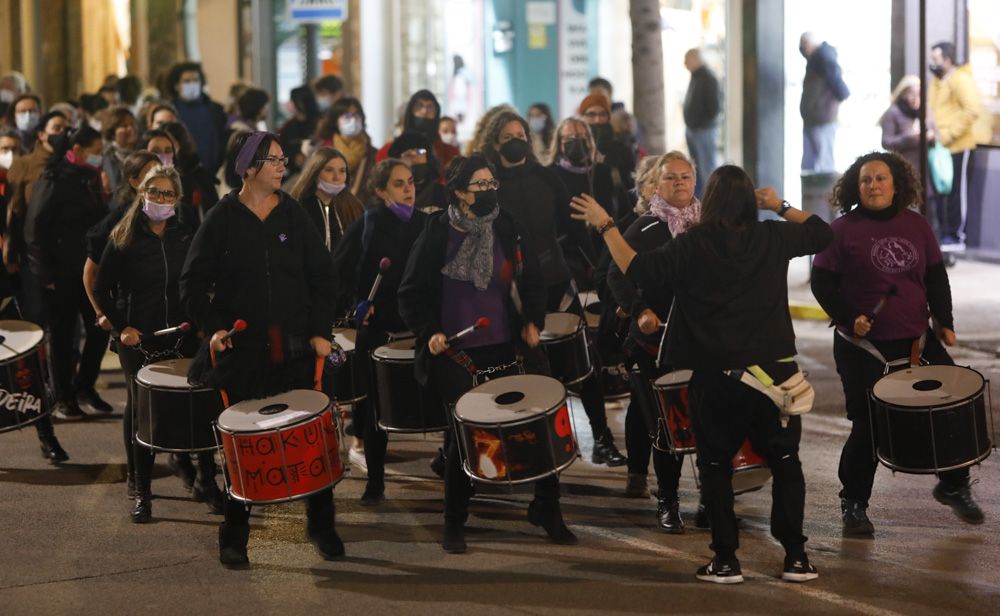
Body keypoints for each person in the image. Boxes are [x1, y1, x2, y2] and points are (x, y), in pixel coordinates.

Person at [572, 164, 832, 584]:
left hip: (717, 376)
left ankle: (726, 559)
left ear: (707, 200)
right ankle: (797, 557)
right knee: (785, 460)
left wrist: (605, 225)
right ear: (750, 200)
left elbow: (636, 269)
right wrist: (778, 205)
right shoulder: (772, 235)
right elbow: (823, 231)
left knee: (715, 464)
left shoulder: (694, 244)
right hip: (773, 374)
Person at [398, 154, 575, 553]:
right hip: (457, 354)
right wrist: (430, 332)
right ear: (459, 192)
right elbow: (410, 293)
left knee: (538, 427)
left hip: (508, 347)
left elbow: (532, 281)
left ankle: (548, 509)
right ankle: (454, 520)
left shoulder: (508, 225)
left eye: (491, 182)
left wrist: (532, 319)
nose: (489, 190)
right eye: (479, 185)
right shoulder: (437, 231)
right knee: (463, 438)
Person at [180, 131, 340, 567]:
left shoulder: (293, 214)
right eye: (273, 160)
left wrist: (321, 330)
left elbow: (323, 279)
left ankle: (322, 525)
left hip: (295, 346)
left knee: (309, 437)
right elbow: (191, 283)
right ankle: (234, 535)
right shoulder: (222, 217)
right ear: (248, 168)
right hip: (244, 350)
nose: (282, 166)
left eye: (283, 158)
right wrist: (214, 329)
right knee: (243, 446)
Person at [810, 151, 984, 534]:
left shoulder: (917, 225)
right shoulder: (841, 230)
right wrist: (846, 317)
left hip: (916, 341)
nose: (873, 185)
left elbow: (937, 276)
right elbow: (821, 282)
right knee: (868, 425)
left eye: (881, 178)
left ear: (896, 184)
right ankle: (854, 503)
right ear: (856, 187)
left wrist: (946, 322)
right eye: (866, 180)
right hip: (863, 347)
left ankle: (954, 486)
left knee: (953, 405)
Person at [481, 110, 625, 467]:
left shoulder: (545, 178)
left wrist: (598, 269)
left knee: (583, 361)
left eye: (521, 134)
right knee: (519, 369)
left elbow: (573, 229)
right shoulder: (487, 181)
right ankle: (523, 444)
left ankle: (602, 439)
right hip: (508, 290)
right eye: (508, 135)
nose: (517, 140)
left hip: (555, 281)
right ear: (495, 142)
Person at [95, 164, 224, 522]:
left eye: (168, 194)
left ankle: (207, 482)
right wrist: (122, 327)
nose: (161, 199)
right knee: (141, 411)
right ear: (142, 194)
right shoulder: (124, 236)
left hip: (184, 334)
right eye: (155, 192)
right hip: (141, 338)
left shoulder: (187, 234)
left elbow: (201, 281)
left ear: (178, 199)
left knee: (198, 405)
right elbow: (100, 288)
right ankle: (141, 489)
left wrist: (204, 323)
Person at [606, 151, 704, 532]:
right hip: (656, 344)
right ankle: (668, 500)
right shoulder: (643, 229)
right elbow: (617, 274)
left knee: (709, 424)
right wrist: (640, 309)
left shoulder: (707, 226)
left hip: (700, 342)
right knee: (667, 426)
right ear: (656, 185)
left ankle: (711, 501)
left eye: (686, 176)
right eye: (671, 178)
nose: (680, 183)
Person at [330, 159, 430, 503]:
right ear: (380, 190)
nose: (408, 189)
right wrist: (356, 303)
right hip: (379, 329)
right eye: (399, 184)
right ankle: (376, 481)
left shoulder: (426, 224)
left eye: (411, 182)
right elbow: (338, 274)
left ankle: (449, 463)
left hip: (417, 328)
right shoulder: (369, 224)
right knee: (374, 409)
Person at [24, 126, 113, 419]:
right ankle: (63, 396)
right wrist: (44, 272)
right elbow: (35, 227)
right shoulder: (53, 178)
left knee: (100, 328)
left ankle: (84, 385)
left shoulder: (89, 178)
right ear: (77, 150)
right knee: (62, 336)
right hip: (60, 272)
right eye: (95, 149)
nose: (99, 155)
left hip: (89, 269)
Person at [928, 41, 983, 250]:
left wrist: (948, 134)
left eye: (936, 59)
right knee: (942, 193)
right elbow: (932, 110)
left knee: (956, 193)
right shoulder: (936, 81)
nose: (933, 63)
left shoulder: (960, 79)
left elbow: (972, 110)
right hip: (939, 148)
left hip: (959, 146)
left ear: (948, 60)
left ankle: (956, 235)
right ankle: (945, 234)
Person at [289, 146, 364, 254]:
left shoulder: (354, 206)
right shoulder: (298, 206)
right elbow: (282, 237)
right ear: (315, 173)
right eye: (329, 170)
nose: (337, 177)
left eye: (342, 171)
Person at [799, 32, 850, 172]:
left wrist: (844, 95)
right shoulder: (816, 59)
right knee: (812, 164)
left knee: (824, 163)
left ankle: (824, 193)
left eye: (804, 45)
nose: (803, 49)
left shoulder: (824, 56)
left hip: (821, 118)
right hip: (813, 118)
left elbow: (837, 81)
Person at [313, 97, 377, 204]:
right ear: (335, 121)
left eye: (356, 115)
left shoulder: (371, 153)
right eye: (347, 116)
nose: (353, 120)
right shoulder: (324, 152)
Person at [166, 62, 227, 174]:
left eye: (195, 80)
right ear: (176, 86)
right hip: (180, 175)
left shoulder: (216, 111)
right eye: (187, 81)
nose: (192, 84)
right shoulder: (168, 111)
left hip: (212, 176)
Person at [377, 90, 460, 172]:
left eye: (430, 107)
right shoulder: (389, 151)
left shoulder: (450, 154)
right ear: (410, 112)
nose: (424, 111)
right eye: (419, 106)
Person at [682, 49, 721, 197]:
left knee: (707, 170)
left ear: (696, 59)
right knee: (695, 170)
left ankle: (710, 201)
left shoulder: (708, 78)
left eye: (687, 59)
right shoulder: (696, 76)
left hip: (703, 130)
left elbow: (714, 108)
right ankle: (698, 202)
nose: (684, 63)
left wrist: (699, 121)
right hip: (693, 129)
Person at [578, 93, 634, 192]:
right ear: (582, 117)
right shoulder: (575, 145)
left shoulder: (621, 150)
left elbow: (628, 183)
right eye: (591, 114)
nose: (597, 120)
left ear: (608, 117)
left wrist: (604, 162)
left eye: (602, 114)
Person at [881, 76, 932, 177]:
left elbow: (937, 135)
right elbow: (886, 142)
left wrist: (930, 136)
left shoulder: (926, 110)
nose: (916, 98)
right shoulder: (893, 113)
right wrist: (909, 137)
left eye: (919, 94)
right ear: (903, 94)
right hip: (903, 170)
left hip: (927, 170)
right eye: (912, 94)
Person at [388, 131, 446, 212]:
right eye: (408, 154)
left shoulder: (443, 195)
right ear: (397, 160)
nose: (415, 159)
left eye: (420, 152)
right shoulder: (388, 196)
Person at [278, 85, 320, 177]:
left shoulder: (320, 124)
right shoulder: (288, 127)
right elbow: (280, 151)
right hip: (293, 174)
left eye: (292, 101)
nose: (290, 104)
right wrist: (294, 158)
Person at [100, 107, 138, 196]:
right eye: (124, 126)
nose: (130, 128)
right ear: (112, 133)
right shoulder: (107, 158)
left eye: (132, 124)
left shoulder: (142, 152)